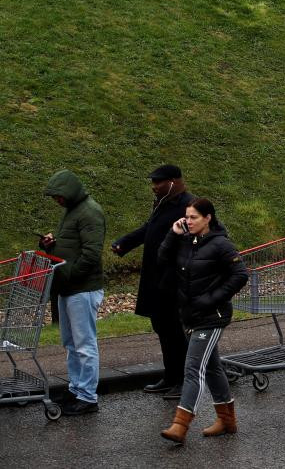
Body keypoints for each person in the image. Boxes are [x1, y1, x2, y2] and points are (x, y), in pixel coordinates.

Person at [157, 198, 248, 443]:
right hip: (189, 315)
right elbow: (162, 259)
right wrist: (172, 234)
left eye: (194, 217)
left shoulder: (221, 244)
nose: (189, 221)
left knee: (193, 368)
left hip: (212, 317)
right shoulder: (186, 240)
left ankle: (180, 424)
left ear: (208, 217)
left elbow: (240, 275)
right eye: (187, 217)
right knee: (212, 367)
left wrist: (211, 299)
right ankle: (227, 421)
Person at [111, 165, 193, 399]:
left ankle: (184, 382)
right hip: (156, 277)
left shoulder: (188, 206)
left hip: (174, 279)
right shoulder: (163, 203)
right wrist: (125, 243)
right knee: (162, 328)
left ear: (173, 182)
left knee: (176, 331)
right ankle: (170, 376)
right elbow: (150, 229)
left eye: (158, 182)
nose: (154, 187)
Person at [40, 170, 106, 416]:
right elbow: (71, 246)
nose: (57, 201)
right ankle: (77, 388)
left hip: (82, 288)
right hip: (68, 287)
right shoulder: (73, 210)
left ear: (70, 192)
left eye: (59, 196)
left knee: (84, 344)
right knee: (70, 343)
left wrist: (70, 275)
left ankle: (88, 397)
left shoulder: (90, 212)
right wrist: (50, 245)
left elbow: (91, 253)